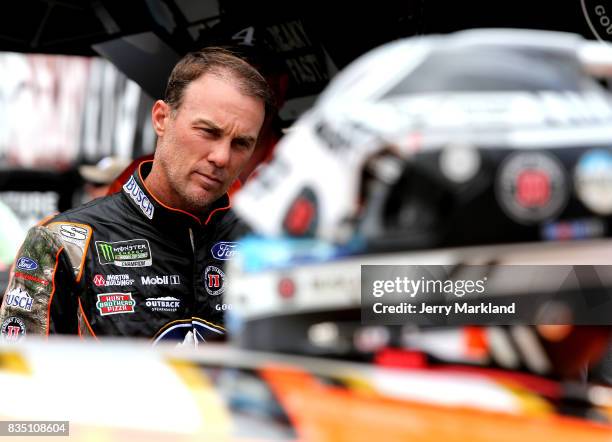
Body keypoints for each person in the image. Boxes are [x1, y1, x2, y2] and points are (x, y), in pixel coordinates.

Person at [0, 47, 272, 344]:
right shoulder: (64, 240)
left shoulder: (268, 244)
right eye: (208, 131)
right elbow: (16, 377)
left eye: (242, 144)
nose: (221, 157)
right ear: (161, 118)